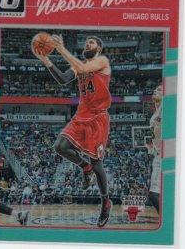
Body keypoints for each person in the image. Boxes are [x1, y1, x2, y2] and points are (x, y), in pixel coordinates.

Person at [31, 35, 113, 227]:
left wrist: (61, 49)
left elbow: (84, 69)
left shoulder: (102, 61)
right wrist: (45, 59)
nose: (87, 44)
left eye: (91, 42)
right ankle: (84, 167)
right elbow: (62, 79)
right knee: (60, 146)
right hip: (81, 115)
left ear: (98, 48)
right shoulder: (79, 65)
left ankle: (105, 203)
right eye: (86, 42)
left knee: (97, 163)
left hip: (97, 118)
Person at [147, 84, 163, 213]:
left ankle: (167, 220)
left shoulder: (166, 107)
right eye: (155, 89)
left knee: (153, 195)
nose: (155, 90)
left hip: (165, 154)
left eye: (159, 89)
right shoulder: (155, 114)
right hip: (157, 155)